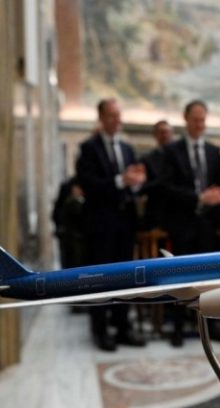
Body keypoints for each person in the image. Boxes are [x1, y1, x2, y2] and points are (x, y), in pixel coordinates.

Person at [76, 98, 147, 351]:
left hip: (124, 223)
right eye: (112, 115)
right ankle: (100, 329)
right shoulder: (88, 148)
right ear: (101, 118)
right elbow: (88, 184)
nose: (117, 120)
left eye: (119, 115)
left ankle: (123, 326)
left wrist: (136, 183)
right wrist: (120, 181)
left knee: (125, 277)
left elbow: (132, 185)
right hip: (100, 224)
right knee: (100, 278)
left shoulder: (127, 148)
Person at [160, 100, 220, 346]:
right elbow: (167, 188)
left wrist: (216, 196)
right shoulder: (172, 151)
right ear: (186, 119)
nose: (200, 124)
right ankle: (179, 327)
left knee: (210, 278)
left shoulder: (214, 152)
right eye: (195, 120)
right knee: (181, 278)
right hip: (182, 223)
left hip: (208, 225)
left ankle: (212, 325)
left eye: (203, 120)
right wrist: (199, 198)